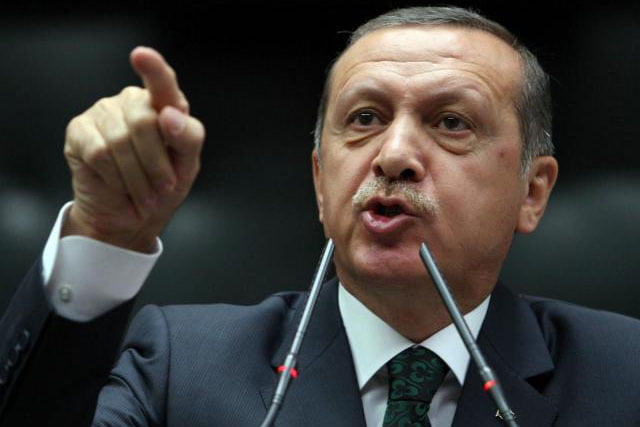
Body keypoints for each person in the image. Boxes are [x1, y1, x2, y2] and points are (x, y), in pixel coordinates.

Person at [1, 6, 640, 426]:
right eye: (364, 119)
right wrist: (107, 233)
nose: (392, 156)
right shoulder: (180, 368)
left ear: (533, 192)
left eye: (451, 123)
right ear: (318, 178)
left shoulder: (624, 373)